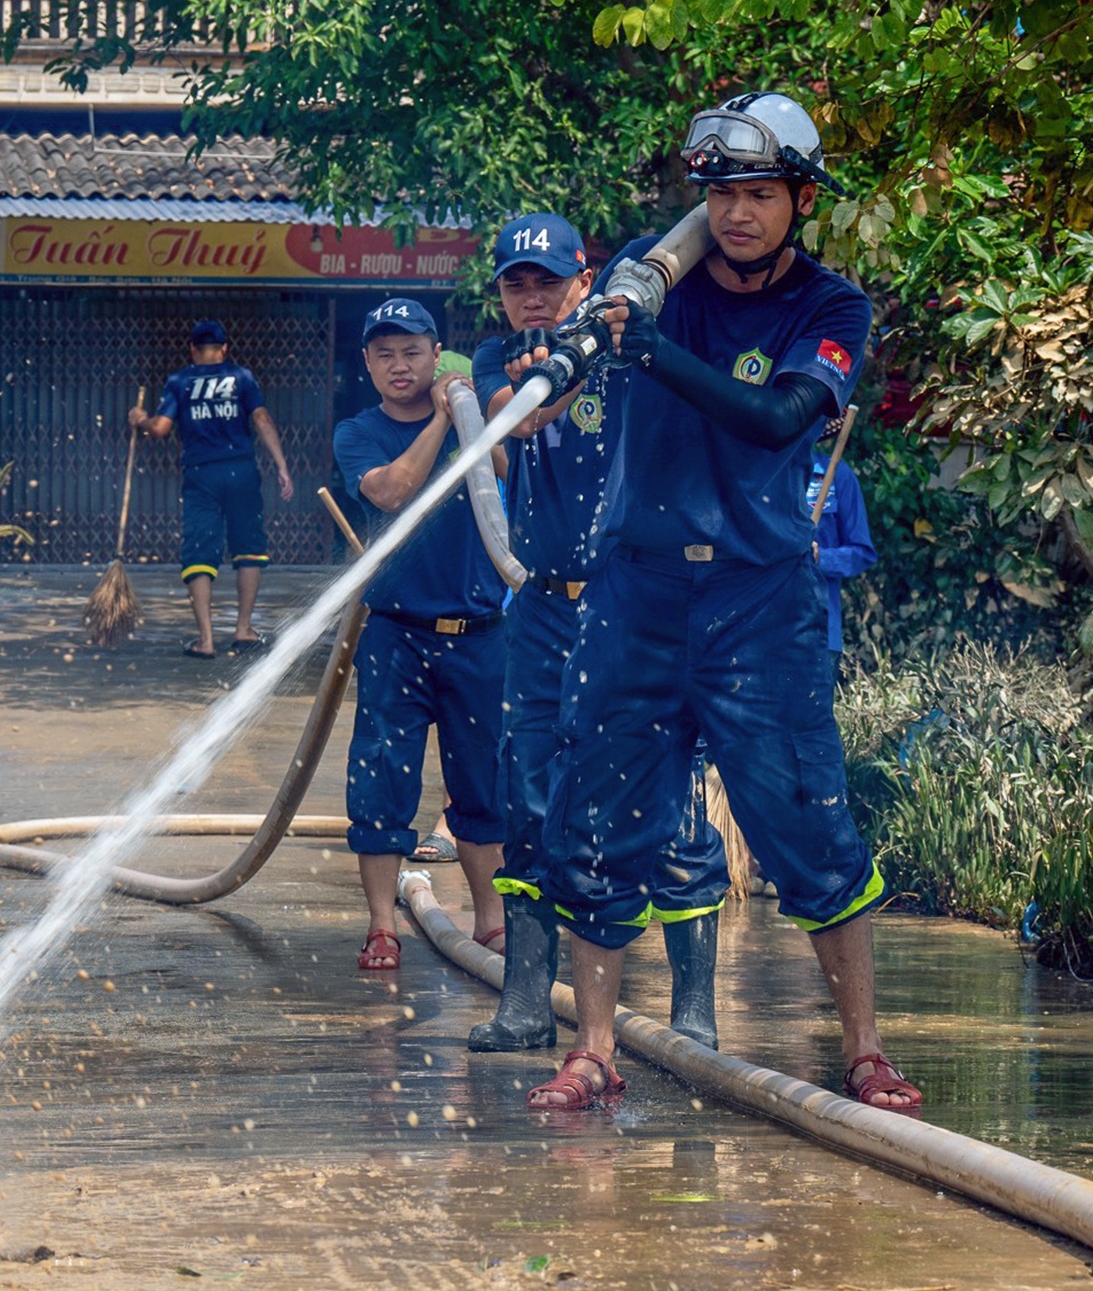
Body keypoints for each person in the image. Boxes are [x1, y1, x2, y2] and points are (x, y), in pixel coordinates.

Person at [522, 91, 920, 1114]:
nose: (734, 214)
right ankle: (595, 1048)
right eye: (717, 195)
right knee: (595, 818)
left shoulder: (828, 308)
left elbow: (776, 414)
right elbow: (592, 353)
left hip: (756, 598)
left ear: (800, 198)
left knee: (806, 821)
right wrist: (591, 338)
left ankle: (865, 1049)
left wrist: (645, 346)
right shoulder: (656, 278)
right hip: (635, 590)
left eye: (756, 193)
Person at [467, 213, 728, 1055]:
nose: (533, 296)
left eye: (550, 281)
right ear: (502, 294)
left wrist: (611, 333)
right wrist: (564, 364)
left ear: (585, 280)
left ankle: (693, 1010)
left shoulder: (631, 340)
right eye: (517, 283)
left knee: (670, 795)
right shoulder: (497, 360)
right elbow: (520, 419)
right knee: (531, 792)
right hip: (543, 607)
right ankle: (525, 1003)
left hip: (638, 601)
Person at [333, 298, 508, 971]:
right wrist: (442, 418)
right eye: (385, 354)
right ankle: (382, 924)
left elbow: (505, 479)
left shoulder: (478, 423)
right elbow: (390, 491)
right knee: (380, 776)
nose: (399, 365)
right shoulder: (359, 432)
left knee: (482, 779)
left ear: (438, 355)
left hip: (479, 631)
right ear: (368, 364)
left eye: (412, 351)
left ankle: (490, 920)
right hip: (397, 633)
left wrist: (469, 415)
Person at [129, 321, 294, 658]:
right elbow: (262, 420)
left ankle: (205, 640)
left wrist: (140, 420)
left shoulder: (180, 382)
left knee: (200, 550)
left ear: (192, 350)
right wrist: (281, 465)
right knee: (247, 546)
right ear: (224, 348)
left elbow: (159, 428)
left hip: (201, 474)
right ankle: (243, 630)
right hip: (241, 471)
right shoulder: (242, 377)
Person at [809, 442, 876, 683]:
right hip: (761, 630)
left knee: (814, 718)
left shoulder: (836, 474)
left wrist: (821, 557)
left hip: (819, 627)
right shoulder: (759, 473)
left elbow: (861, 552)